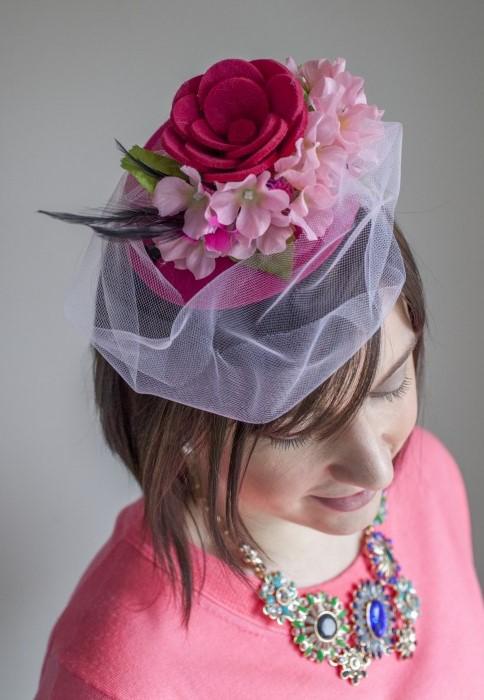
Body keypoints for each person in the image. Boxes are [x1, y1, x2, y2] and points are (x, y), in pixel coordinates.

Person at [35, 56, 483, 698]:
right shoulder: (124, 669)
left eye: (389, 386)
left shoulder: (430, 476)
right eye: (298, 427)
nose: (380, 471)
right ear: (183, 411)